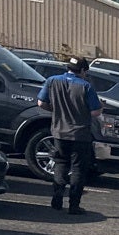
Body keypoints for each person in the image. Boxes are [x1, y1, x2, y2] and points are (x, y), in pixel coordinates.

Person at [35, 56, 101, 215]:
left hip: (59, 131)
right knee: (78, 169)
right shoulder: (86, 87)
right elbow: (95, 112)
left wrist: (57, 110)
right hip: (80, 134)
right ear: (83, 70)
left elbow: (41, 103)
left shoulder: (52, 81)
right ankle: (74, 205)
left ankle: (57, 198)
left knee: (60, 164)